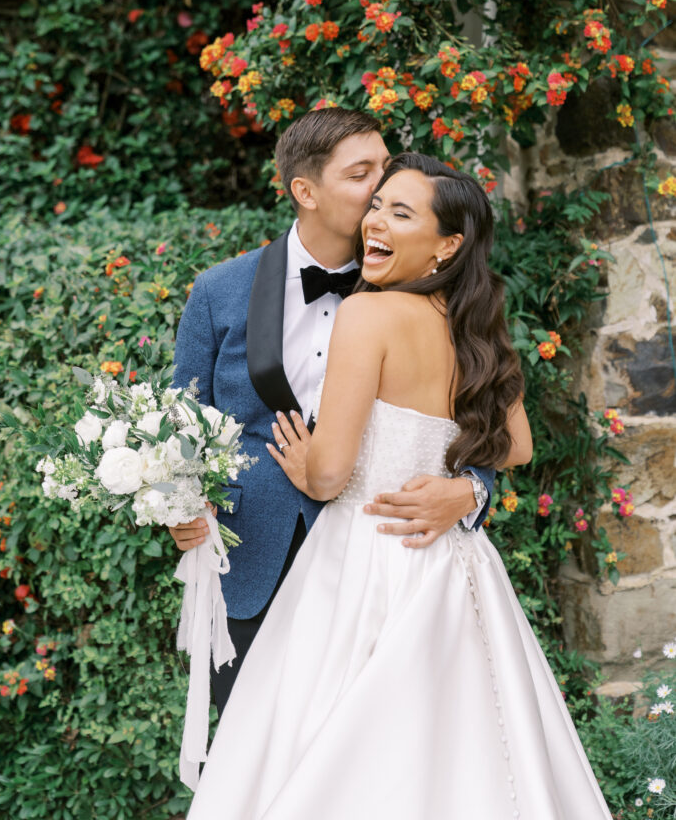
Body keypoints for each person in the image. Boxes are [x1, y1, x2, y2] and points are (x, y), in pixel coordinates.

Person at [186, 153, 613, 820]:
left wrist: (307, 466)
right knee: (458, 745)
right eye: (377, 204)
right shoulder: (477, 324)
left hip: (360, 559)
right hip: (447, 567)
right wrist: (461, 482)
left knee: (336, 745)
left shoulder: (367, 314)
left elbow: (329, 475)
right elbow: (520, 445)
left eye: (399, 212)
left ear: (447, 245)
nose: (375, 220)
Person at [170, 110, 495, 716]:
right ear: (306, 191)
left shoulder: (425, 295)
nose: (380, 188)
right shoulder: (219, 290)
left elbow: (475, 413)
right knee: (254, 750)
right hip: (250, 559)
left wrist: (471, 492)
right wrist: (180, 508)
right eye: (361, 174)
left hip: (377, 565)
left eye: (386, 170)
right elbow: (181, 422)